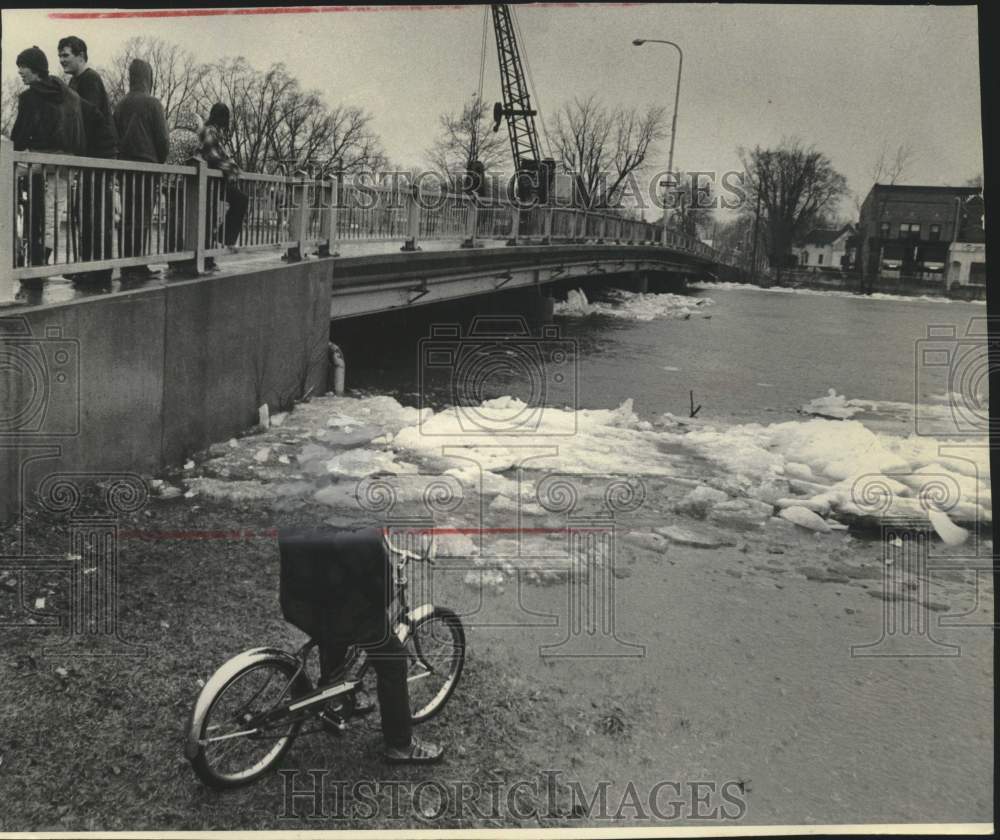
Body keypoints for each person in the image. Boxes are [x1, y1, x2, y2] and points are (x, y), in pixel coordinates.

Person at [278, 528, 445, 764]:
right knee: (393, 660)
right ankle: (400, 745)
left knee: (336, 636)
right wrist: (387, 596)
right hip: (337, 609)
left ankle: (332, 695)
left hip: (299, 601)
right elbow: (374, 575)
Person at [11, 46, 85, 267]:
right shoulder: (69, 94)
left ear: (35, 68)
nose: (20, 72)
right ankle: (42, 257)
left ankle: (15, 245)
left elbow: (20, 136)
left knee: (5, 173)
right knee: (54, 211)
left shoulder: (30, 96)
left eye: (22, 67)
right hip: (67, 162)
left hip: (41, 159)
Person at [58, 36, 117, 283]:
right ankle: (89, 266)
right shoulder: (76, 81)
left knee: (95, 212)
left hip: (99, 155)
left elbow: (91, 114)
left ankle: (99, 270)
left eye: (66, 55)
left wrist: (65, 94)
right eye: (60, 55)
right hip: (90, 156)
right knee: (86, 211)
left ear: (81, 55)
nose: (61, 60)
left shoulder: (90, 79)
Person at [113, 58, 169, 279]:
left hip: (126, 166)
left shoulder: (121, 104)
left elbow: (114, 136)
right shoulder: (153, 103)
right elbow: (163, 139)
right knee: (143, 216)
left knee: (128, 215)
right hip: (147, 165)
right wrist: (159, 161)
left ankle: (127, 263)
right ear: (148, 77)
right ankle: (137, 264)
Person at [197, 103, 249, 270]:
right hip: (210, 179)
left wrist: (232, 167)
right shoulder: (210, 131)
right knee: (236, 202)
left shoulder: (211, 130)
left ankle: (214, 247)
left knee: (210, 217)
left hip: (214, 179)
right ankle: (216, 245)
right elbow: (213, 156)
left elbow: (219, 154)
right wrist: (234, 170)